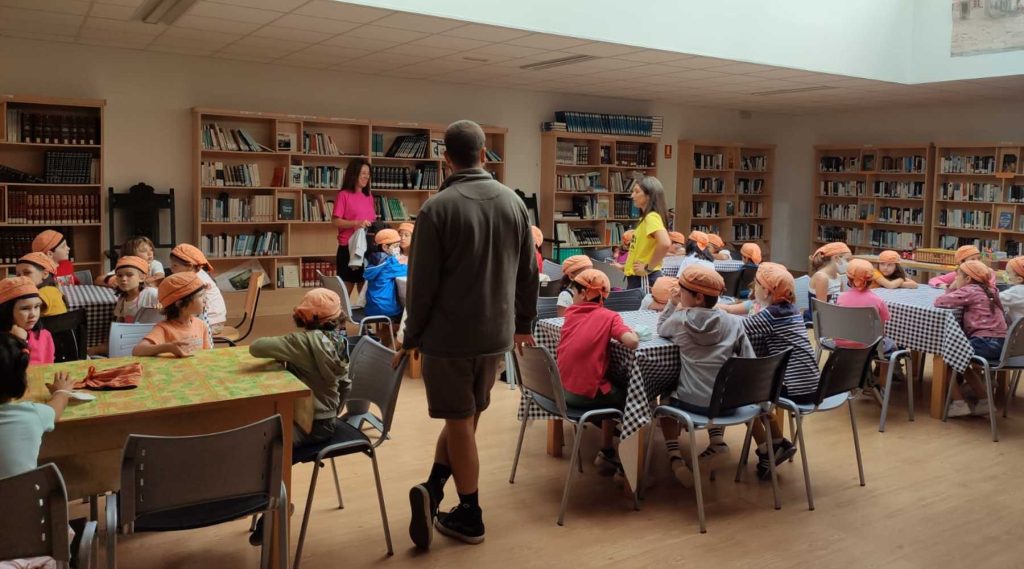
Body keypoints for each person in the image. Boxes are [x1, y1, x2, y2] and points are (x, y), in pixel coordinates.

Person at [401, 120, 537, 549]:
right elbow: (528, 274)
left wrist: (411, 338)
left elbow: (421, 285)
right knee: (467, 416)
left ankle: (471, 515)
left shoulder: (436, 208)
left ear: (446, 159)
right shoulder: (515, 205)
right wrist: (522, 326)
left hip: (449, 337)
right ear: (484, 154)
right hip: (494, 335)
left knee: (459, 423)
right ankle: (434, 489)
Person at [246, 288, 352, 546]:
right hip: (326, 422)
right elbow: (346, 385)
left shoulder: (301, 343)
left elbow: (256, 348)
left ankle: (275, 509)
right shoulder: (341, 342)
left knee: (268, 446)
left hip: (307, 425)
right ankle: (272, 505)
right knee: (270, 440)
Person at [657, 264, 754, 486]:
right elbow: (749, 359)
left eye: (681, 291)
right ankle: (717, 442)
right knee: (716, 386)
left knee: (665, 396)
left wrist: (672, 304)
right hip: (727, 403)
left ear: (698, 297)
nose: (678, 294)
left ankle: (675, 458)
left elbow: (661, 329)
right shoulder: (734, 322)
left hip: (691, 403)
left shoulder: (680, 320)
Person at [556, 269, 639, 475]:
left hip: (560, 391)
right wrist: (633, 332)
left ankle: (607, 450)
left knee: (608, 383)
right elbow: (632, 342)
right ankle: (628, 468)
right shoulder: (610, 317)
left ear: (584, 294)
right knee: (635, 400)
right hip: (583, 396)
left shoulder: (570, 314)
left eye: (573, 292)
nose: (572, 297)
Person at [743, 263, 819, 479]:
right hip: (812, 384)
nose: (754, 288)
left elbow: (738, 329)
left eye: (757, 284)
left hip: (795, 388)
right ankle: (777, 444)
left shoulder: (771, 316)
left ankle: (770, 448)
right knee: (754, 391)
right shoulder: (791, 310)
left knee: (744, 396)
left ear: (766, 291)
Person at [934, 260, 1007, 418]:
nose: (955, 278)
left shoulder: (969, 291)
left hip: (985, 341)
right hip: (1002, 344)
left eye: (958, 275)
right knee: (961, 359)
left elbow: (939, 302)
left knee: (946, 358)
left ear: (967, 279)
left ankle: (959, 403)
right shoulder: (991, 290)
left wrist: (951, 287)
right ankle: (984, 401)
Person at [132, 272, 210, 357]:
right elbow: (137, 350)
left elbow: (208, 355)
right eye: (201, 295)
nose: (205, 299)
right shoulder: (164, 328)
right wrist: (168, 347)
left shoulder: (201, 325)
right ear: (180, 304)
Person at [331, 158, 375, 293]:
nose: (366, 176)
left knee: (364, 293)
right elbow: (335, 221)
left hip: (365, 249)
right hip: (348, 249)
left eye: (368, 173)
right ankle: (343, 315)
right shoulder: (343, 195)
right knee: (345, 292)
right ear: (354, 174)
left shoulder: (369, 197)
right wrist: (357, 223)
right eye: (363, 173)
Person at [838, 259, 897, 353]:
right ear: (871, 279)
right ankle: (882, 367)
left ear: (848, 278)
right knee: (892, 344)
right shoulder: (878, 301)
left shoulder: (841, 298)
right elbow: (881, 330)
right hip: (869, 345)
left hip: (841, 343)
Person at [623, 177, 671, 290]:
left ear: (649, 195)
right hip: (637, 277)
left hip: (645, 278)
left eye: (637, 192)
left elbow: (665, 243)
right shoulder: (644, 219)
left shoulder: (651, 217)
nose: (632, 196)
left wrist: (648, 268)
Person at [168, 243, 227, 335]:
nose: (171, 268)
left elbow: (189, 305)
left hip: (212, 323)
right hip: (213, 319)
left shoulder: (196, 280)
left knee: (173, 330)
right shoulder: (198, 273)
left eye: (175, 265)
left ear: (190, 266)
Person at [0, 278, 53, 366]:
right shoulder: (3, 340)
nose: (33, 314)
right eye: (25, 308)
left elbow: (48, 370)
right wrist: (17, 341)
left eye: (37, 306)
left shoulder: (45, 336)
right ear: (7, 311)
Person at [363, 228, 408, 320]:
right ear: (384, 247)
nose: (398, 249)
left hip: (371, 307)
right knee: (407, 311)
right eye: (395, 246)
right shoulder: (389, 263)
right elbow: (407, 270)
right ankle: (391, 332)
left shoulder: (375, 259)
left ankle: (387, 331)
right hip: (385, 309)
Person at [805, 242, 851, 322]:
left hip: (832, 318)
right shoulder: (822, 278)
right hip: (817, 322)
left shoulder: (839, 277)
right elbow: (822, 310)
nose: (849, 264)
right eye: (847, 260)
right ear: (836, 258)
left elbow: (841, 302)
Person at [98, 235, 165, 286]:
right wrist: (112, 280)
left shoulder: (155, 264)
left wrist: (135, 284)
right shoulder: (125, 267)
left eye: (151, 250)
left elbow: (159, 278)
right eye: (144, 251)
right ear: (131, 255)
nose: (150, 253)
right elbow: (98, 279)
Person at [15, 252, 67, 317]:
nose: (21, 277)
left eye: (27, 272)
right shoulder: (53, 290)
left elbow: (25, 307)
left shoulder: (46, 291)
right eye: (18, 275)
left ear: (45, 274)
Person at [928, 245, 995, 288]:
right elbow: (933, 280)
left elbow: (990, 289)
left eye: (979, 258)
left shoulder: (988, 272)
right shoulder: (960, 274)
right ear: (962, 263)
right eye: (972, 259)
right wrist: (946, 286)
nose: (977, 262)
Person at [1000, 256, 1024, 324]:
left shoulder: (1017, 291)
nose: (1005, 275)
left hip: (1018, 332)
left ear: (1019, 279)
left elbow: (996, 298)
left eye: (1008, 273)